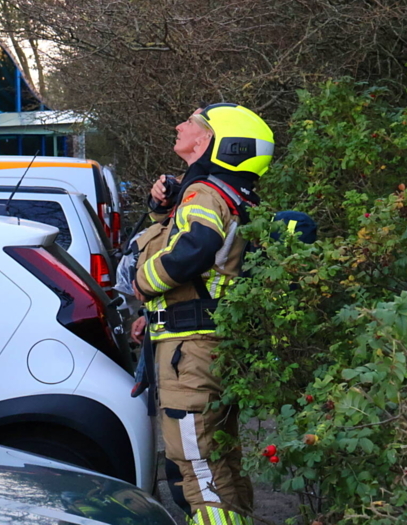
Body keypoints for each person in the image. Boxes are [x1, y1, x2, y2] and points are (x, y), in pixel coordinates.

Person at [130, 103, 274, 525]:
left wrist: (143, 285)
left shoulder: (205, 193)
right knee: (220, 459)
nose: (179, 125)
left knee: (196, 467)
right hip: (206, 343)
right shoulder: (228, 193)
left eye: (191, 122)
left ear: (213, 141)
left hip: (190, 353)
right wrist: (162, 210)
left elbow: (194, 249)